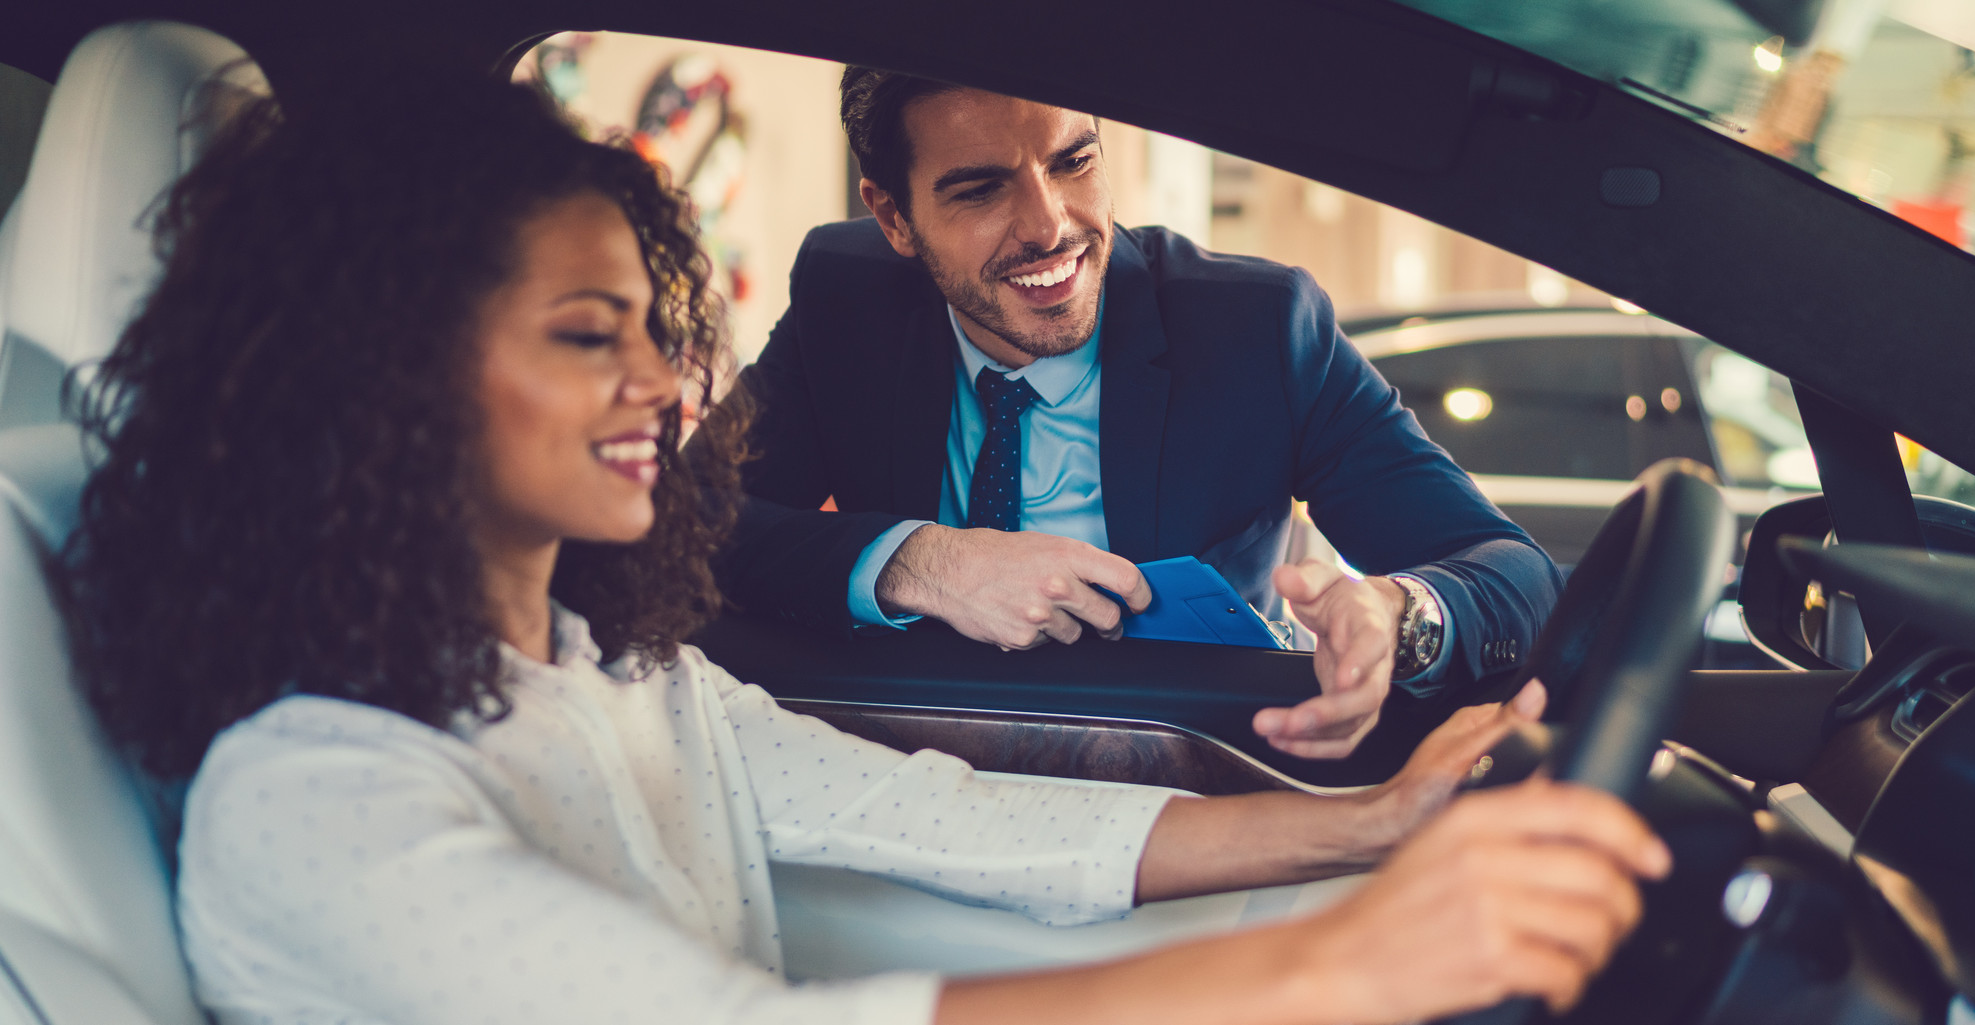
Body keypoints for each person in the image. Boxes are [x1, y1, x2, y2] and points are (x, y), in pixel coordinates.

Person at [64, 70, 1665, 1025]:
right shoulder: (314, 800)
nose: (665, 387)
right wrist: (1344, 969)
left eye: (654, 330)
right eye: (587, 336)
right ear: (383, 379)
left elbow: (939, 810)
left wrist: (1371, 818)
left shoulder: (613, 675)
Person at [716, 68, 1563, 760]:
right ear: (894, 217)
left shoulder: (1257, 329)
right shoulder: (845, 297)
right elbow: (690, 525)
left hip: (1181, 784)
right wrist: (925, 563)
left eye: (1073, 162)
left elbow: (1514, 572)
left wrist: (1399, 617)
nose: (1050, 226)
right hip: (902, 780)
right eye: (980, 191)